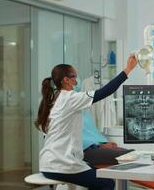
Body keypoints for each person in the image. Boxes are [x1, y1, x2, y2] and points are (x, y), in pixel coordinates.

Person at [35, 54, 137, 190]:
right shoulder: (70, 98)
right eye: (74, 76)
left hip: (48, 162)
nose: (77, 79)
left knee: (96, 173)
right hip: (63, 164)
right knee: (107, 184)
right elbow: (105, 91)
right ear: (66, 80)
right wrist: (128, 69)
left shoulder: (53, 100)